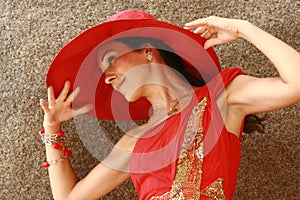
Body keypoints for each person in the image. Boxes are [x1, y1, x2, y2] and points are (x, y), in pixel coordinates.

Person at [39, 10, 300, 200]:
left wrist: (242, 28)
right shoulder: (135, 141)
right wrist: (52, 128)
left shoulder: (222, 96)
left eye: (110, 60)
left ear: (147, 49)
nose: (106, 77)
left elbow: (296, 84)